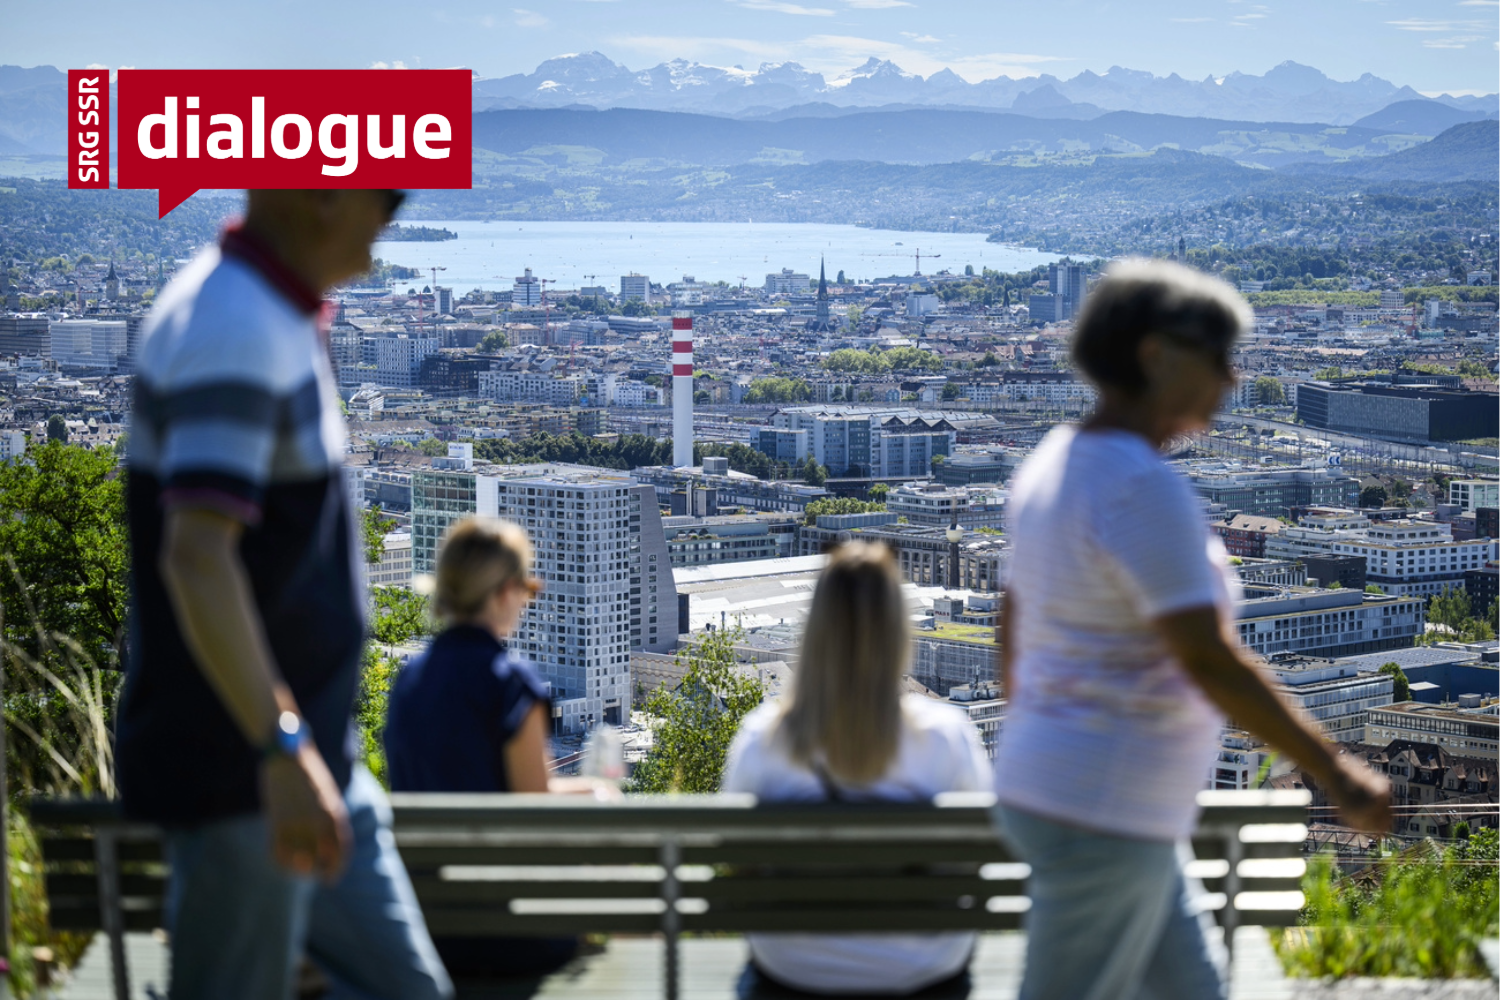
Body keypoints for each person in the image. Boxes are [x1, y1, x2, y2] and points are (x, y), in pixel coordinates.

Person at [991, 259, 1390, 1000]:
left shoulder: (1053, 463)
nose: (1233, 380)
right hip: (1102, 806)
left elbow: (1012, 627)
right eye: (1219, 358)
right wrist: (1336, 770)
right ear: (1155, 355)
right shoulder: (1141, 487)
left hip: (1093, 795)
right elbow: (1210, 660)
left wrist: (1048, 729)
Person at [118, 189, 451, 1000]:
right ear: (323, 199)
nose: (380, 247)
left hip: (311, 760)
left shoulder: (263, 311)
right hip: (250, 773)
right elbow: (198, 556)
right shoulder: (235, 325)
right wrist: (280, 746)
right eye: (384, 214)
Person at [722, 541, 992, 996]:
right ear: (897, 632)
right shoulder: (947, 737)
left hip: (792, 973)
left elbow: (737, 862)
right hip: (924, 973)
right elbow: (977, 859)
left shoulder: (763, 739)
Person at [383, 516, 580, 979]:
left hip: (426, 926)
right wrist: (599, 795)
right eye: (527, 587)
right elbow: (536, 811)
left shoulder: (407, 682)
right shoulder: (511, 685)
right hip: (508, 930)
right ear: (503, 592)